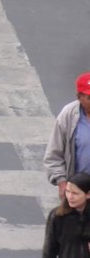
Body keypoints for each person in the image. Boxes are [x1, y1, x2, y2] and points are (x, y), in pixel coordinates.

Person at [38, 171, 90, 258]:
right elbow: (48, 255)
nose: (70, 197)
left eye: (75, 193)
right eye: (68, 191)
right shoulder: (57, 217)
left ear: (88, 194)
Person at [45, 73, 90, 202]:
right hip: (78, 191)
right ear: (79, 97)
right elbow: (53, 155)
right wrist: (62, 183)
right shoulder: (68, 116)